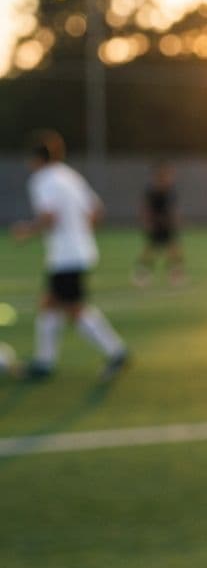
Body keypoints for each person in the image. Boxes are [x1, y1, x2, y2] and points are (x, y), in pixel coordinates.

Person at [11, 129, 130, 382]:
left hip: (66, 255)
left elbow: (49, 216)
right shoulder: (71, 176)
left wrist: (26, 231)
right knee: (50, 304)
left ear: (37, 159)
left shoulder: (42, 179)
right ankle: (45, 362)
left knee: (74, 309)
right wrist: (79, 231)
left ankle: (116, 351)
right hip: (79, 250)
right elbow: (97, 211)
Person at [133, 160, 186, 287]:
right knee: (150, 250)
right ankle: (142, 274)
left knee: (174, 249)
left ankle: (175, 275)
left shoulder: (171, 191)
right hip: (156, 225)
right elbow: (145, 208)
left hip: (168, 225)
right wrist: (147, 222)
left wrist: (177, 220)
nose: (170, 177)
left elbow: (174, 209)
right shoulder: (152, 191)